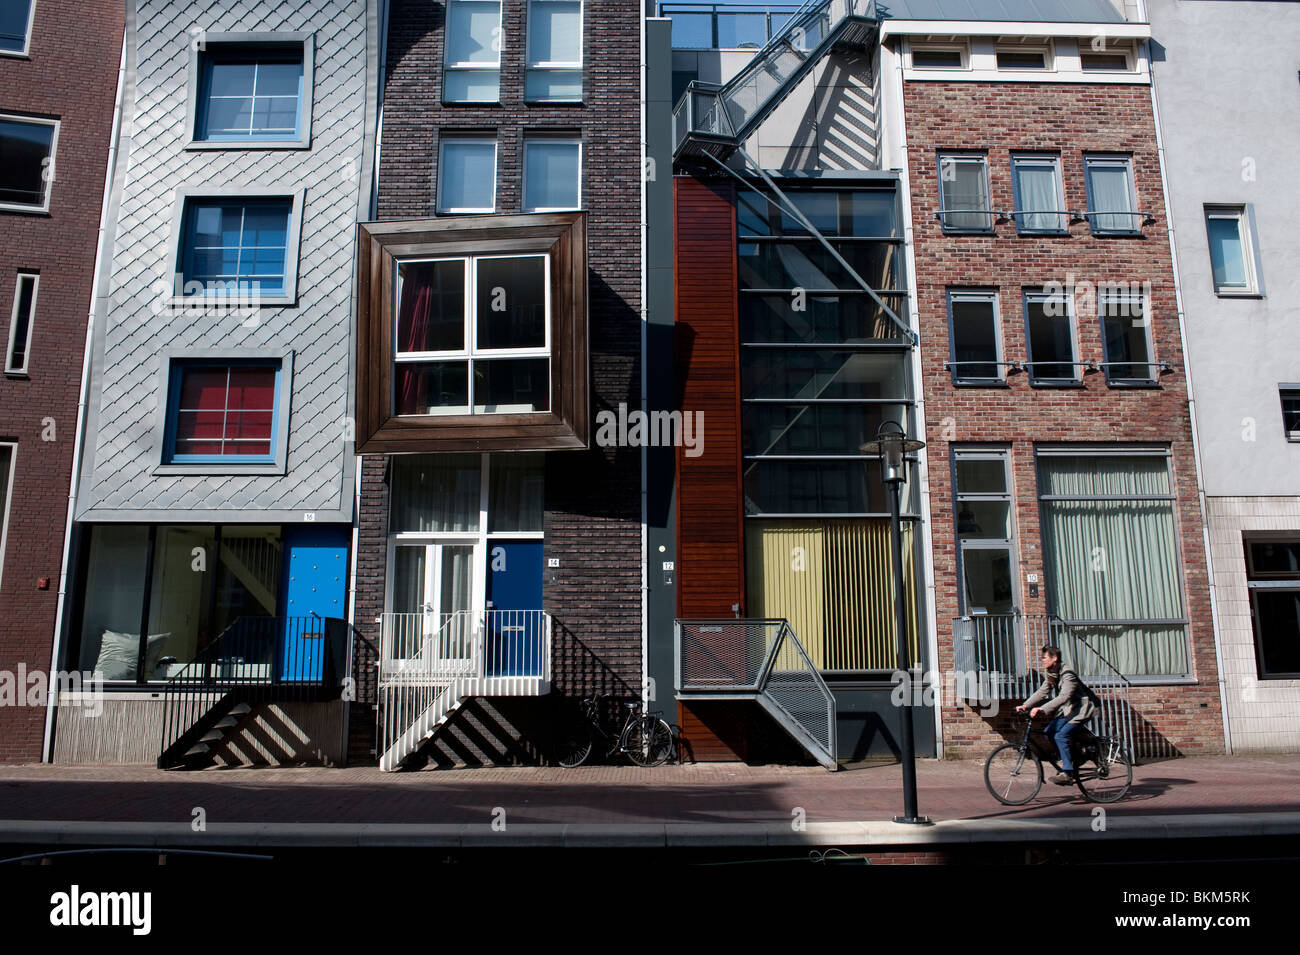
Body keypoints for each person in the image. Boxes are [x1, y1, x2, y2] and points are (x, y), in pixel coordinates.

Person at [1015, 645, 1097, 785]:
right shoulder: (1052, 673)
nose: (1042, 660)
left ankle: (1068, 772)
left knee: (1061, 735)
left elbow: (1064, 696)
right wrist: (1026, 705)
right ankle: (1071, 757)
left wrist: (1042, 709)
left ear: (1054, 658)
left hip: (1081, 709)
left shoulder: (1067, 674)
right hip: (1069, 710)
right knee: (1049, 732)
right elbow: (1043, 691)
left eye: (1044, 657)